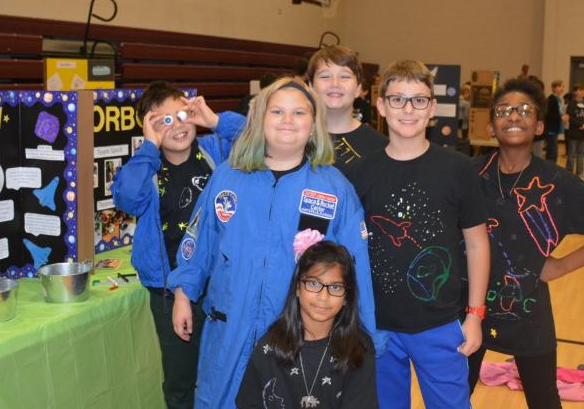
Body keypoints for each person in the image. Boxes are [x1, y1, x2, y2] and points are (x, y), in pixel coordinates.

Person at [168, 77, 382, 408]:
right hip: (229, 326)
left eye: (299, 113)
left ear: (313, 126)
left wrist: (367, 336)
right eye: (277, 111)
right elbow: (200, 239)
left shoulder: (333, 188)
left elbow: (355, 265)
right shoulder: (228, 176)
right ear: (259, 121)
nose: (287, 120)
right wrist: (184, 292)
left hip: (296, 333)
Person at [468, 78, 584, 409]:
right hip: (470, 310)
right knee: (453, 397)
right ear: (490, 127)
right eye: (503, 110)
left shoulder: (557, 182)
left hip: (529, 313)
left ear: (540, 125)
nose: (513, 116)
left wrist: (561, 265)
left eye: (524, 110)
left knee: (544, 401)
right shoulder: (470, 174)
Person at [346, 60, 490, 408]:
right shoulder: (358, 173)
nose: (408, 109)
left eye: (419, 100)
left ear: (433, 109)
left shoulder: (458, 169)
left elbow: (477, 242)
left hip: (440, 324)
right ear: (380, 106)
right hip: (376, 326)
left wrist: (475, 315)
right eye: (397, 99)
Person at [110, 82, 246, 409]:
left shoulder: (216, 151)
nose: (177, 125)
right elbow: (126, 197)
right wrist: (148, 147)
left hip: (220, 284)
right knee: (180, 377)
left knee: (227, 370)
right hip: (170, 290)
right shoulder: (148, 168)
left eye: (182, 115)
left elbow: (261, 138)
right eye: (163, 121)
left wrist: (213, 120)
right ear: (150, 129)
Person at [236, 241, 378, 409]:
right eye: (313, 284)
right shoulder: (268, 346)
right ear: (297, 287)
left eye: (335, 287)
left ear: (346, 296)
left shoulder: (359, 349)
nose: (323, 296)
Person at [306, 46, 388, 174]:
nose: (335, 84)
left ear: (358, 89)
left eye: (344, 76)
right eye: (325, 76)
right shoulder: (295, 138)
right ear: (311, 87)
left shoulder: (380, 147)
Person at [564, 84, 584, 178]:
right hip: (573, 132)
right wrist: (580, 125)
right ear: (575, 92)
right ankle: (569, 172)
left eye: (583, 90)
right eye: (579, 90)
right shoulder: (571, 103)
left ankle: (580, 172)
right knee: (571, 153)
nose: (582, 92)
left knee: (581, 154)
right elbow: (569, 118)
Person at [544, 80, 565, 163]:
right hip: (551, 128)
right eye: (560, 86)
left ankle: (552, 168)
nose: (562, 88)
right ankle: (550, 169)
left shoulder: (558, 99)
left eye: (563, 87)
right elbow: (550, 114)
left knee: (554, 151)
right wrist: (561, 117)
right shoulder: (551, 99)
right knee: (552, 151)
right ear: (554, 88)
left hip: (555, 128)